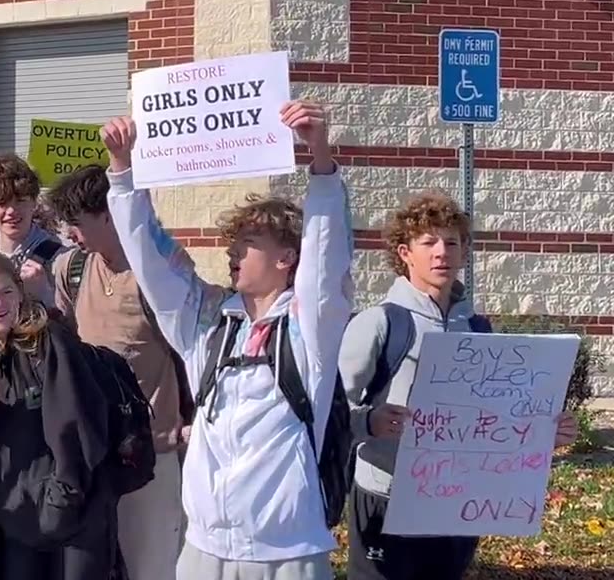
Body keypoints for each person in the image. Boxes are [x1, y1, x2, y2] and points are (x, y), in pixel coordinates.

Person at [104, 101, 353, 579]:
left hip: (288, 551)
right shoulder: (206, 325)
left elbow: (327, 260)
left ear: (287, 258)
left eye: (250, 243)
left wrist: (320, 160)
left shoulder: (310, 333)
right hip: (205, 547)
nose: (232, 251)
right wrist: (123, 171)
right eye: (233, 242)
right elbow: (153, 263)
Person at [338, 192, 579, 580]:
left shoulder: (478, 328)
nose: (441, 252)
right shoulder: (378, 323)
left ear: (465, 251)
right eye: (428, 242)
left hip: (455, 504)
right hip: (385, 496)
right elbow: (330, 413)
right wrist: (370, 422)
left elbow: (492, 420)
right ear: (404, 252)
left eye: (452, 242)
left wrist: (542, 434)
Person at [47, 164, 190, 580]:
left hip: (152, 452)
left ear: (109, 214)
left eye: (76, 224)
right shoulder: (69, 269)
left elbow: (193, 350)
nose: (71, 234)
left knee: (152, 567)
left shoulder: (162, 270)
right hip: (92, 456)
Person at [0, 251, 117, 580]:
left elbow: (78, 427)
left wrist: (61, 500)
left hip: (71, 518)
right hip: (10, 515)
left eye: (7, 292)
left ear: (20, 293)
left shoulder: (48, 340)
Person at [0, 155, 63, 303]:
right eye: (1, 202)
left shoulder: (62, 260)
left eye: (20, 201)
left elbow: (83, 322)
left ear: (34, 202)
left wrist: (45, 295)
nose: (11, 211)